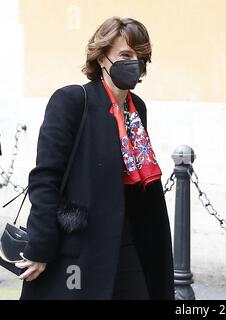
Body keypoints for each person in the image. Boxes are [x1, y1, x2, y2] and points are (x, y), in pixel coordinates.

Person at [15, 17, 174, 300]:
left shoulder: (138, 109)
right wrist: (40, 246)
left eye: (141, 57)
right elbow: (45, 178)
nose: (134, 63)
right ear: (102, 58)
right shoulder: (72, 101)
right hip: (81, 248)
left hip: (127, 242)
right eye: (125, 55)